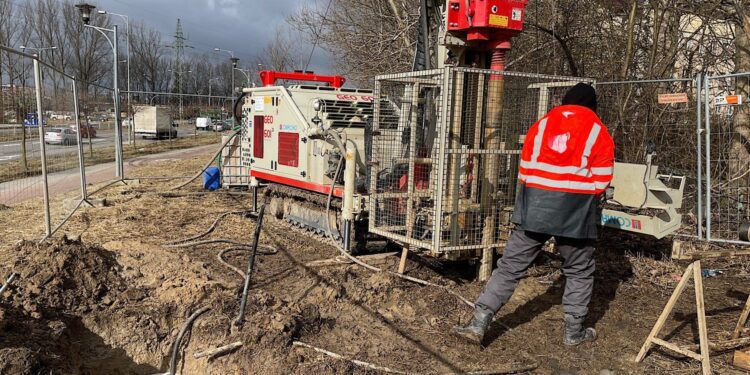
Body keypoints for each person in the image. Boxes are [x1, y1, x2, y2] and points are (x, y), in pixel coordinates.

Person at [453, 83, 614, 346]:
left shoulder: (541, 125)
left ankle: (479, 322)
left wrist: (536, 195)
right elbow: (602, 179)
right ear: (591, 106)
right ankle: (574, 332)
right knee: (579, 270)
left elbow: (525, 169)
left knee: (510, 267)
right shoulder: (597, 130)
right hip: (574, 211)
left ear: (564, 102)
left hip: (535, 206)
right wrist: (582, 194)